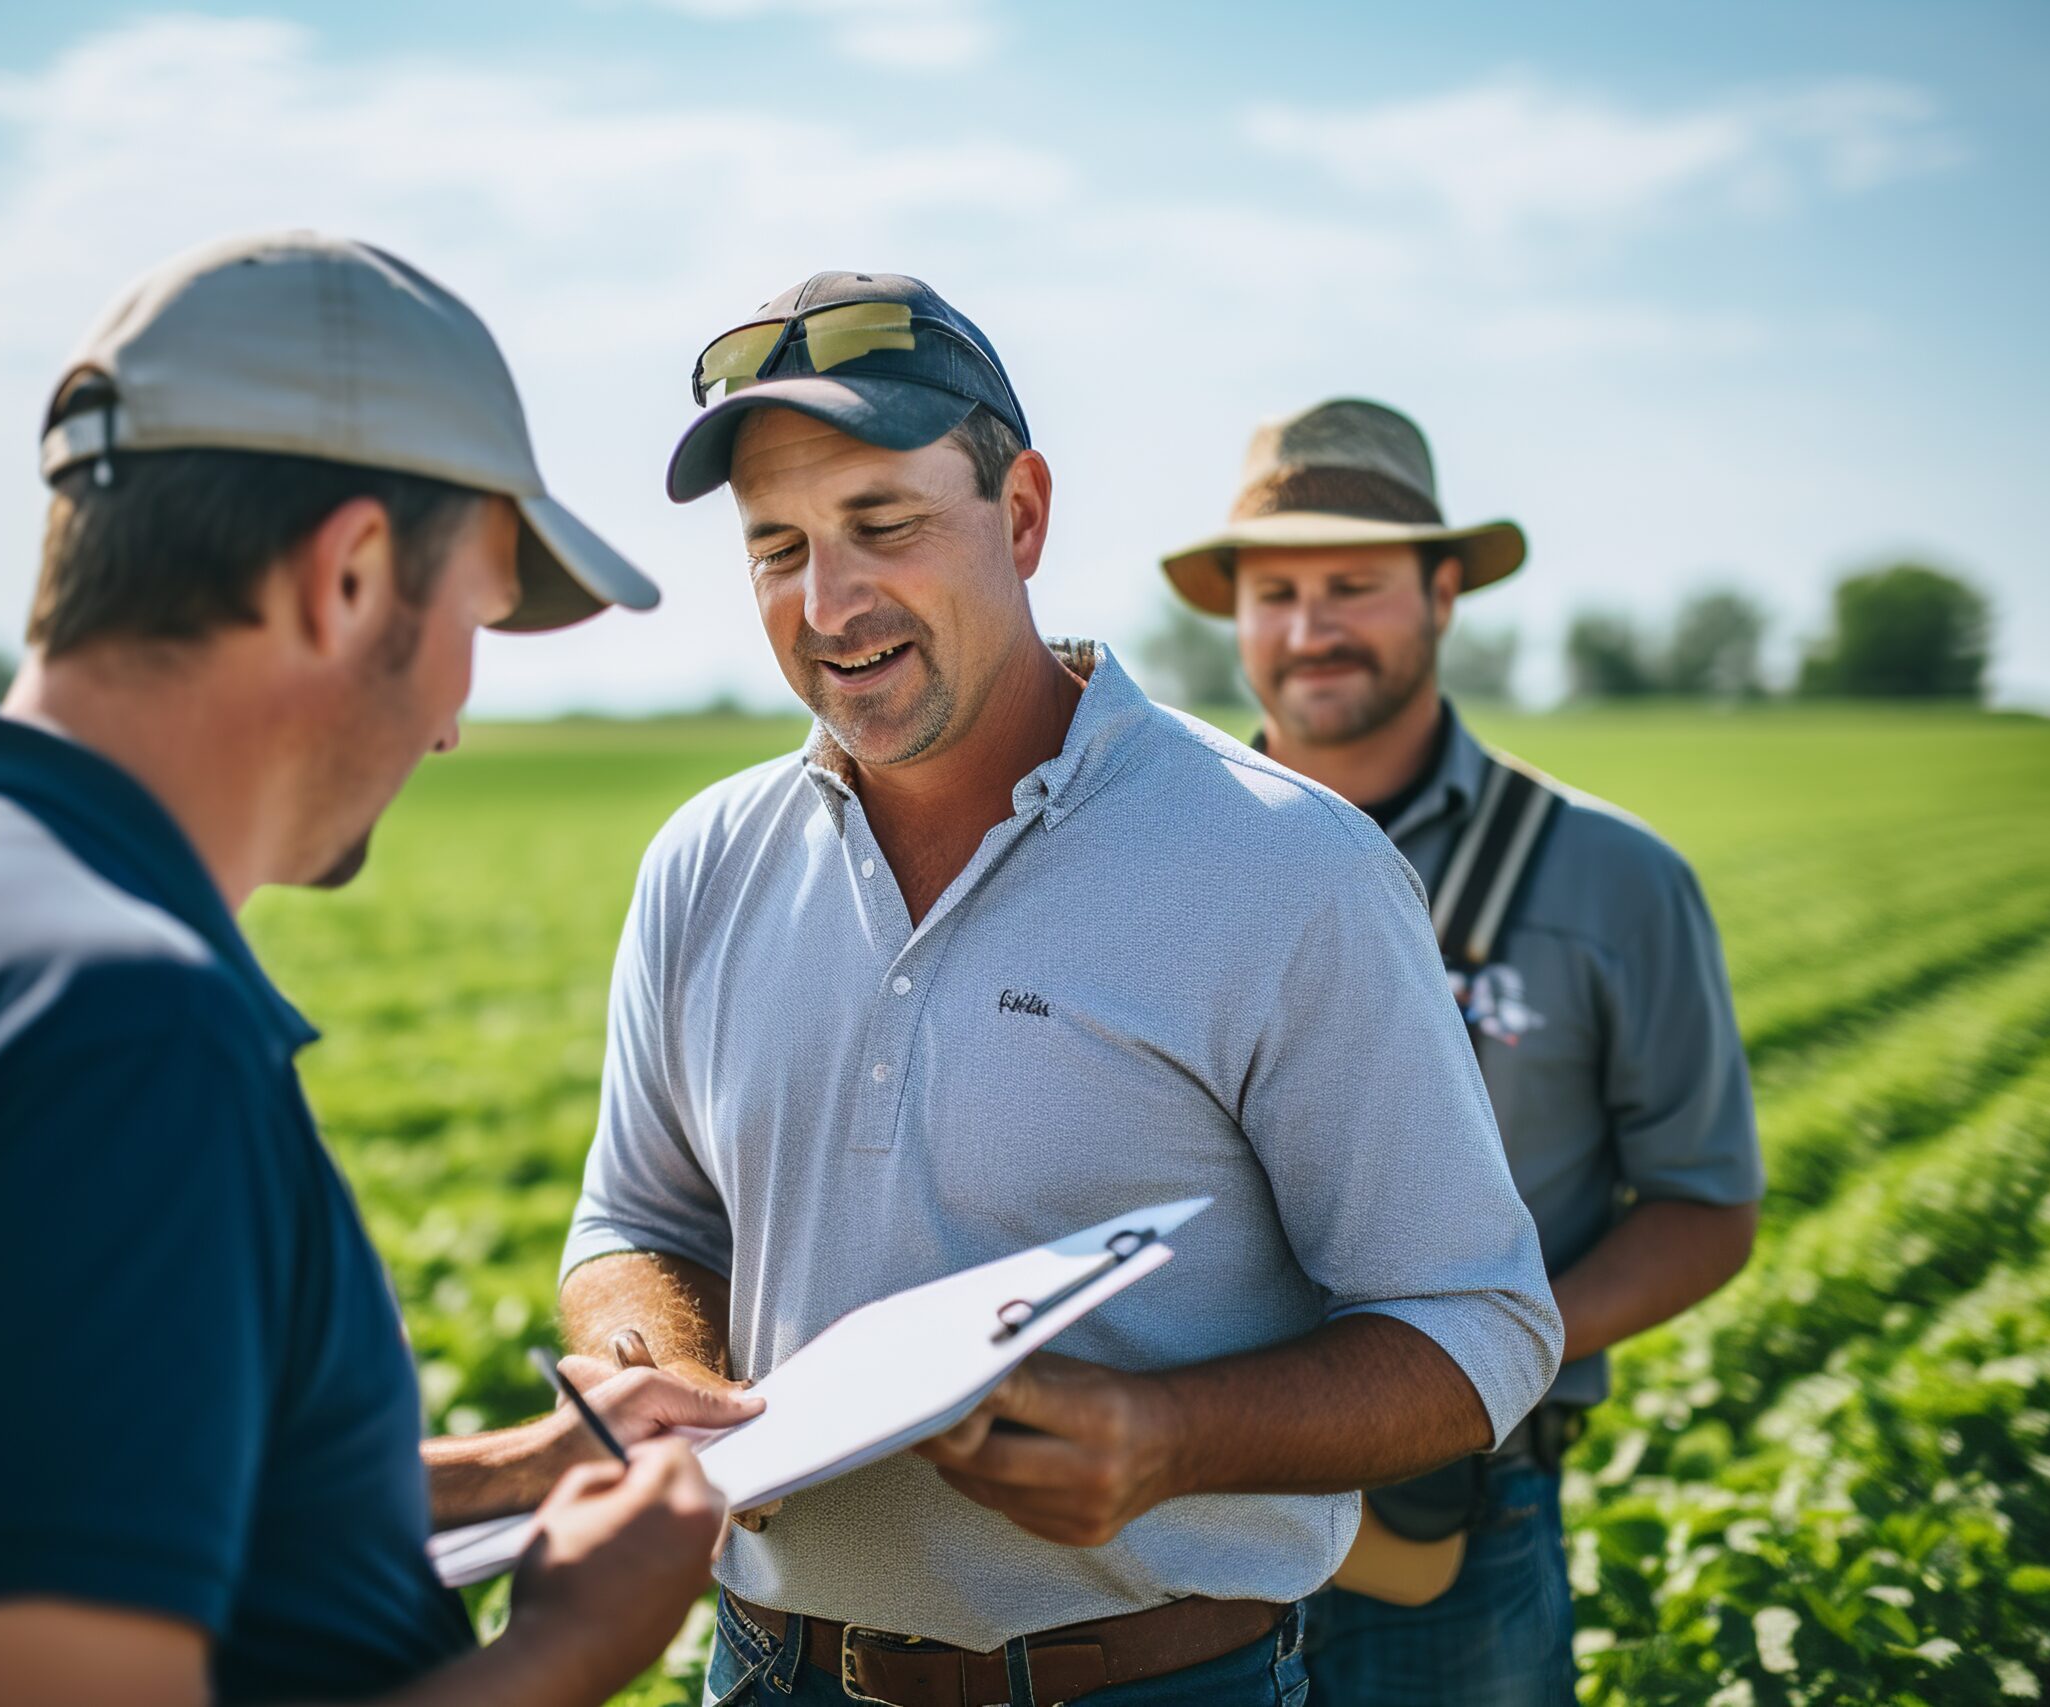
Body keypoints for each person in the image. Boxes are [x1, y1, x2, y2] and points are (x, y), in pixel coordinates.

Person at [0, 231, 761, 1707]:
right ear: (347, 578)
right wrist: (569, 1648)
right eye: (470, 619)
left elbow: (30, 1470)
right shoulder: (105, 1034)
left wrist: (509, 1468)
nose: (458, 719)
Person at [556, 272, 1565, 1707]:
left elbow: (1478, 1321)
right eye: (776, 547)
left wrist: (1166, 1438)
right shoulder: (704, 860)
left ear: (1021, 514)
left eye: (882, 526)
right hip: (766, 1668)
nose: (826, 602)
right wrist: (653, 1368)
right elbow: (634, 1220)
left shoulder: (1286, 868)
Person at [1159, 397, 1763, 1703]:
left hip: (1458, 1533)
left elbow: (1705, 1204)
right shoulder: (1156, 863)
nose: (1310, 629)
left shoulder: (1610, 878)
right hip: (1181, 1533)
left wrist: (1477, 1357)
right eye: (1277, 592)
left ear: (1443, 591)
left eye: (1355, 586)